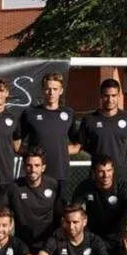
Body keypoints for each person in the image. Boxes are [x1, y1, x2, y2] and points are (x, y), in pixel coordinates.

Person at [16, 72, 80, 200]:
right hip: (36, 174)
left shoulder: (68, 113)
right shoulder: (30, 113)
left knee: (59, 212)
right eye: (48, 89)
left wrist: (61, 150)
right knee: (35, 211)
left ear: (61, 91)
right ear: (43, 90)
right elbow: (16, 145)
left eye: (55, 89)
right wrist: (32, 156)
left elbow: (77, 145)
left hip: (60, 173)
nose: (51, 92)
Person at [71, 155, 127, 255]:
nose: (106, 175)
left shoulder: (124, 188)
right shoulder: (85, 187)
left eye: (109, 170)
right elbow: (72, 213)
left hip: (119, 238)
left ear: (113, 170)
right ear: (94, 172)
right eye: (101, 171)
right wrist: (77, 232)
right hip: (92, 236)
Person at [0, 148, 61, 249]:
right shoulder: (14, 187)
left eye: (37, 165)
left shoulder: (53, 185)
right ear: (24, 167)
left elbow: (62, 212)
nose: (33, 170)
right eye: (29, 165)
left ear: (43, 167)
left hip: (48, 244)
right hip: (22, 244)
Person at [78, 78, 127, 181]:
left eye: (113, 96)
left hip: (122, 177)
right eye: (106, 96)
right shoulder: (89, 119)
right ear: (101, 96)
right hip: (97, 176)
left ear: (119, 96)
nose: (110, 99)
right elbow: (79, 146)